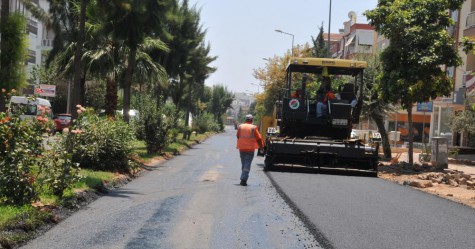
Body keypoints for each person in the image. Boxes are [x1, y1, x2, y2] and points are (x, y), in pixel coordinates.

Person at [236, 114, 264, 186]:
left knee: (244, 164)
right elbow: (259, 139)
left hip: (241, 148)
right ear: (252, 120)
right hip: (250, 149)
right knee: (247, 164)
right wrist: (261, 148)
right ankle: (243, 179)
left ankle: (243, 177)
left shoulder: (240, 126)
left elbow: (238, 136)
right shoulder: (253, 128)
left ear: (245, 120)